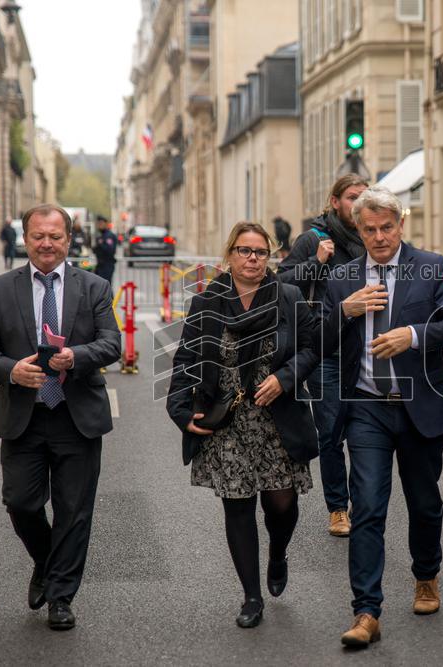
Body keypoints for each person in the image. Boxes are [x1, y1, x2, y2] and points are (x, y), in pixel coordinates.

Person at [321, 186, 443, 647]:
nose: (380, 237)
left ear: (401, 225)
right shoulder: (342, 277)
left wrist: (413, 334)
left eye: (387, 227)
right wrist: (343, 312)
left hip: (418, 406)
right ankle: (366, 611)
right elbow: (319, 340)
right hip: (367, 407)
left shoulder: (429, 266)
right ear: (359, 229)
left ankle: (426, 575)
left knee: (424, 503)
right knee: (367, 507)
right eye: (370, 229)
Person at [0, 204, 121, 631]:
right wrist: (11, 370)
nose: (47, 244)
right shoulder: (0, 289)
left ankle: (60, 597)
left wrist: (78, 356)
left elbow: (112, 343)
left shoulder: (93, 286)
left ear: (69, 240)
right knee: (20, 502)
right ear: (26, 239)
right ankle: (46, 560)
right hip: (25, 416)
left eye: (55, 236)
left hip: (77, 416)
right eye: (39, 236)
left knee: (74, 511)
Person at [167, 222, 320, 629]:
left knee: (281, 505)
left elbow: (311, 348)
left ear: (270, 257)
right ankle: (252, 596)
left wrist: (284, 379)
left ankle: (278, 552)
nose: (253, 258)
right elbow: (186, 359)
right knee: (237, 506)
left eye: (260, 252)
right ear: (230, 255)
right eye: (244, 250)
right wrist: (180, 411)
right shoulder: (207, 303)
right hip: (228, 421)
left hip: (277, 419)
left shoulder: (287, 297)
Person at [277, 174, 369, 538]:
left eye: (363, 197)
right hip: (325, 350)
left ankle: (363, 503)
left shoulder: (372, 238)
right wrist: (315, 262)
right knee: (331, 431)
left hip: (365, 348)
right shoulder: (314, 239)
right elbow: (281, 284)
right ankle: (337, 507)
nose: (358, 204)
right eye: (351, 197)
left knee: (364, 430)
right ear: (335, 202)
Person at [93, 215, 117, 284]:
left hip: (107, 265)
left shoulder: (109, 236)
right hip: (100, 265)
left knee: (106, 285)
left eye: (101, 224)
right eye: (98, 224)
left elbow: (110, 250)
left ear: (106, 224)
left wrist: (101, 244)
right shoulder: (100, 235)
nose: (99, 225)